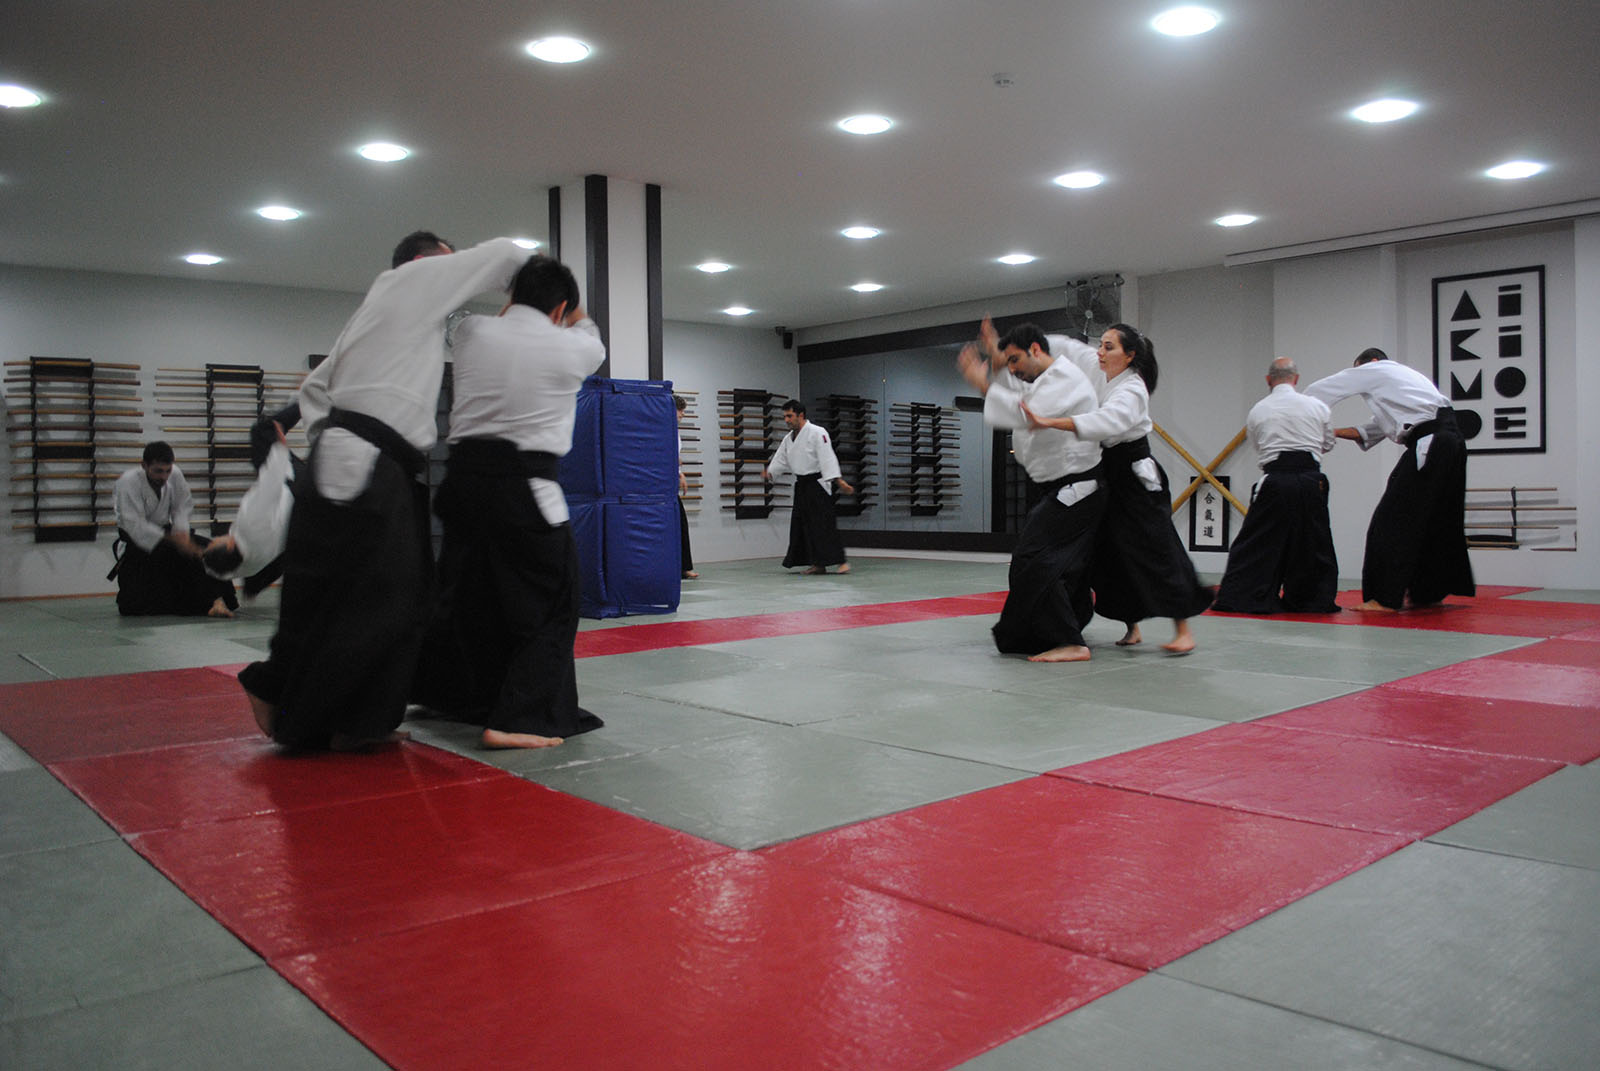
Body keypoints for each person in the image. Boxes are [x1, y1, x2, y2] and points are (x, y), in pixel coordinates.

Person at [239, 229, 528, 750]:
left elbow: (315, 387)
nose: (450, 272)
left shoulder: (388, 317)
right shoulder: (410, 282)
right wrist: (542, 289)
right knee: (381, 596)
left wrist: (331, 441)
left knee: (380, 592)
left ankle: (353, 716)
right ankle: (288, 693)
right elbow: (506, 255)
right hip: (366, 457)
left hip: (367, 460)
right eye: (445, 262)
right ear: (422, 261)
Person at [410, 255, 607, 749]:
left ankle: (451, 695)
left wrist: (518, 294)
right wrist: (569, 309)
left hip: (461, 486)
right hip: (525, 488)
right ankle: (519, 718)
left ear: (511, 297)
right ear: (560, 308)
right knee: (554, 601)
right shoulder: (574, 347)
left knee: (465, 595)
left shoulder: (471, 332)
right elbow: (588, 331)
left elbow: (497, 318)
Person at [1014, 320, 1212, 653]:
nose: (1100, 352)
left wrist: (1052, 422)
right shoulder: (1098, 369)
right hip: (1103, 469)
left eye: (1109, 347)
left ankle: (1183, 629)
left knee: (1157, 546)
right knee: (1107, 551)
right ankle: (1131, 625)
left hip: (1134, 475)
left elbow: (1106, 422)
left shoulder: (1132, 388)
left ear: (1130, 355)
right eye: (1101, 345)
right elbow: (1067, 348)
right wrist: (1018, 345)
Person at [959, 323, 1105, 662]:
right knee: (1066, 567)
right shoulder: (1045, 380)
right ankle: (1059, 630)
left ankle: (1069, 641)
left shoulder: (1066, 378)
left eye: (1015, 360)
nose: (1013, 369)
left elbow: (1025, 412)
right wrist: (998, 360)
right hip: (1058, 488)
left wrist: (982, 382)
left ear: (1036, 350)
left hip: (1076, 487)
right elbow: (1019, 394)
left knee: (1032, 557)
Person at [1303, 347, 1475, 612]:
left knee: (1391, 520)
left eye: (1360, 369)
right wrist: (1331, 432)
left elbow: (1321, 390)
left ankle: (1383, 598)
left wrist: (1297, 412)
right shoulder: (1405, 387)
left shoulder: (1378, 369)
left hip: (1431, 443)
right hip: (1450, 445)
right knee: (1435, 520)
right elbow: (1368, 431)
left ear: (1372, 362)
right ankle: (1427, 592)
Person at [1211, 357, 1340, 613]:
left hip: (1275, 479)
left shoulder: (1259, 410)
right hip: (1312, 480)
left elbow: (1258, 445)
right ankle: (1312, 600)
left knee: (1257, 542)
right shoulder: (1317, 406)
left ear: (1268, 380)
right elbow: (1328, 443)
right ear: (1296, 379)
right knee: (1313, 541)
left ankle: (1246, 597)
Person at [110, 441, 238, 618]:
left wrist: (182, 534)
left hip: (169, 533)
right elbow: (135, 525)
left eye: (167, 471)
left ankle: (217, 602)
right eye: (158, 471)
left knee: (207, 549)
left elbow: (182, 507)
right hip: (137, 544)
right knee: (133, 606)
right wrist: (174, 540)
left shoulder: (175, 474)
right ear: (144, 465)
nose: (163, 476)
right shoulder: (127, 482)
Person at [200, 404, 303, 597]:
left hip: (298, 515)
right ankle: (305, 401)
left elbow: (220, 572)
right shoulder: (250, 524)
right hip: (293, 486)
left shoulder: (245, 567)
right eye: (213, 543)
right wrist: (280, 448)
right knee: (262, 431)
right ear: (229, 545)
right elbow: (270, 485)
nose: (214, 540)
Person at [763, 399, 854, 574]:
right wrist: (771, 473)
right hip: (802, 486)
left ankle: (841, 562)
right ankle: (817, 564)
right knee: (804, 526)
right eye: (785, 417)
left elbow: (827, 457)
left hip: (818, 485)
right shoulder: (788, 439)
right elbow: (780, 459)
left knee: (824, 525)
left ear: (801, 415)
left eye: (789, 416)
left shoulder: (818, 433)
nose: (786, 420)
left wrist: (839, 481)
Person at [675, 394, 699, 579]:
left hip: (670, 484)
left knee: (680, 524)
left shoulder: (674, 432)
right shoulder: (659, 429)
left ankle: (684, 566)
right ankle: (681, 566)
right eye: (680, 410)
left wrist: (680, 472)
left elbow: (675, 457)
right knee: (678, 524)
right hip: (660, 485)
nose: (682, 414)